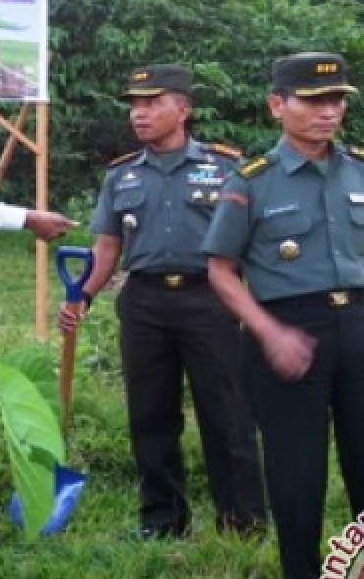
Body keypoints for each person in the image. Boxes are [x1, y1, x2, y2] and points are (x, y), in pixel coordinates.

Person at [201, 51, 364, 579]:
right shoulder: (251, 181)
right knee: (296, 466)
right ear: (278, 105)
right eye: (313, 100)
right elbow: (221, 271)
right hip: (288, 331)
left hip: (362, 333)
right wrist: (266, 330)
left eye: (337, 101)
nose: (328, 112)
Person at [59, 64, 267, 540]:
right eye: (135, 105)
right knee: (150, 415)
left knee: (227, 413)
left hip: (211, 300)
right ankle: (163, 520)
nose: (140, 114)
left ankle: (243, 521)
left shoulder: (227, 167)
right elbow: (107, 248)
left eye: (152, 103)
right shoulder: (122, 175)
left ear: (183, 108)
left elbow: (252, 242)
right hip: (145, 302)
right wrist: (82, 296)